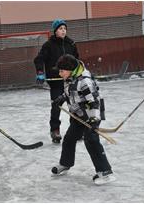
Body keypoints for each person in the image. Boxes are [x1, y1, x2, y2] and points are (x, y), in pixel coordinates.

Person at [51, 54, 115, 185]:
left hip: (91, 114)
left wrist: (93, 119)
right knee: (69, 138)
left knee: (91, 140)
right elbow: (71, 92)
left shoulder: (84, 81)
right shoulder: (71, 78)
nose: (59, 73)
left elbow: (94, 102)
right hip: (78, 114)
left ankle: (105, 172)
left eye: (61, 71)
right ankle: (65, 163)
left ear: (69, 69)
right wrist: (62, 98)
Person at [34, 19, 79, 143]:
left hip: (70, 81)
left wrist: (78, 74)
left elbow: (77, 61)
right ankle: (55, 130)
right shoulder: (49, 45)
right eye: (60, 29)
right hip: (56, 82)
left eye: (64, 28)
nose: (63, 31)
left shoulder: (71, 43)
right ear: (55, 31)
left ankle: (76, 130)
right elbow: (38, 59)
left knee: (74, 107)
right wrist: (40, 72)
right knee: (56, 106)